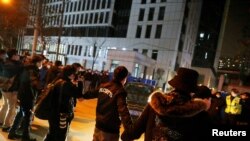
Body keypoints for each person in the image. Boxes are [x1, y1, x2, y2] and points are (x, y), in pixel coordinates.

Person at [121, 67, 211, 141]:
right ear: (192, 91)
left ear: (173, 86)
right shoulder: (200, 115)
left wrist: (125, 131)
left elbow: (133, 132)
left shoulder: (155, 104)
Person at [83, 66, 133, 141]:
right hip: (110, 131)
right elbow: (123, 111)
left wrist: (81, 95)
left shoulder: (103, 86)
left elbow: (90, 94)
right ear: (124, 78)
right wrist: (130, 130)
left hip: (98, 126)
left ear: (114, 75)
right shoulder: (120, 91)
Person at [8, 54, 44, 141]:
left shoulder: (26, 68)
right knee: (27, 116)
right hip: (28, 95)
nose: (41, 65)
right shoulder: (32, 70)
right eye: (41, 62)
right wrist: (41, 87)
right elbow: (34, 83)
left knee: (20, 114)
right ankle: (25, 137)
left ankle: (12, 133)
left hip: (23, 94)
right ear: (37, 62)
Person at [44, 65, 84, 141]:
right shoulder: (68, 85)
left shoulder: (58, 81)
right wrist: (80, 82)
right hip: (62, 115)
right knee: (60, 135)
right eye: (75, 73)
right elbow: (80, 97)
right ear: (71, 74)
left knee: (52, 133)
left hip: (53, 113)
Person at [0, 49, 22, 132]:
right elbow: (21, 68)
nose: (19, 56)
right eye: (17, 54)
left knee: (5, 104)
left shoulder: (5, 63)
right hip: (11, 89)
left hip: (3, 87)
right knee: (11, 107)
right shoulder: (15, 66)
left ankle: (1, 120)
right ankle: (7, 125)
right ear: (13, 56)